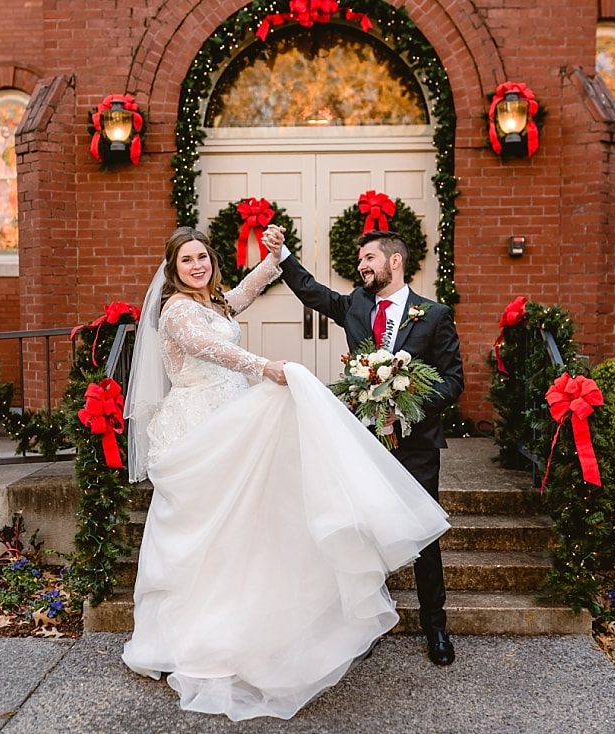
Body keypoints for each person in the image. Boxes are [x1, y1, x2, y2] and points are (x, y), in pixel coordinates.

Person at [121, 226, 451, 721]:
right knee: (206, 532)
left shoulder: (214, 305)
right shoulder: (177, 311)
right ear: (172, 269)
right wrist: (265, 367)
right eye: (187, 260)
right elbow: (213, 350)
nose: (197, 266)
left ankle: (427, 625)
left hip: (379, 434)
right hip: (200, 426)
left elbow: (242, 294)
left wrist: (275, 257)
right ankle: (205, 630)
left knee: (246, 527)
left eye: (203, 257)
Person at [263, 224, 465, 666]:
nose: (361, 266)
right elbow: (313, 293)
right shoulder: (356, 304)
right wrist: (282, 257)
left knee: (423, 534)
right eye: (359, 261)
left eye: (368, 259)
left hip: (416, 444)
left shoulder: (433, 314)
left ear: (394, 261)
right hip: (365, 440)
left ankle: (436, 628)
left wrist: (406, 407)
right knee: (365, 531)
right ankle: (371, 621)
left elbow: (453, 381)